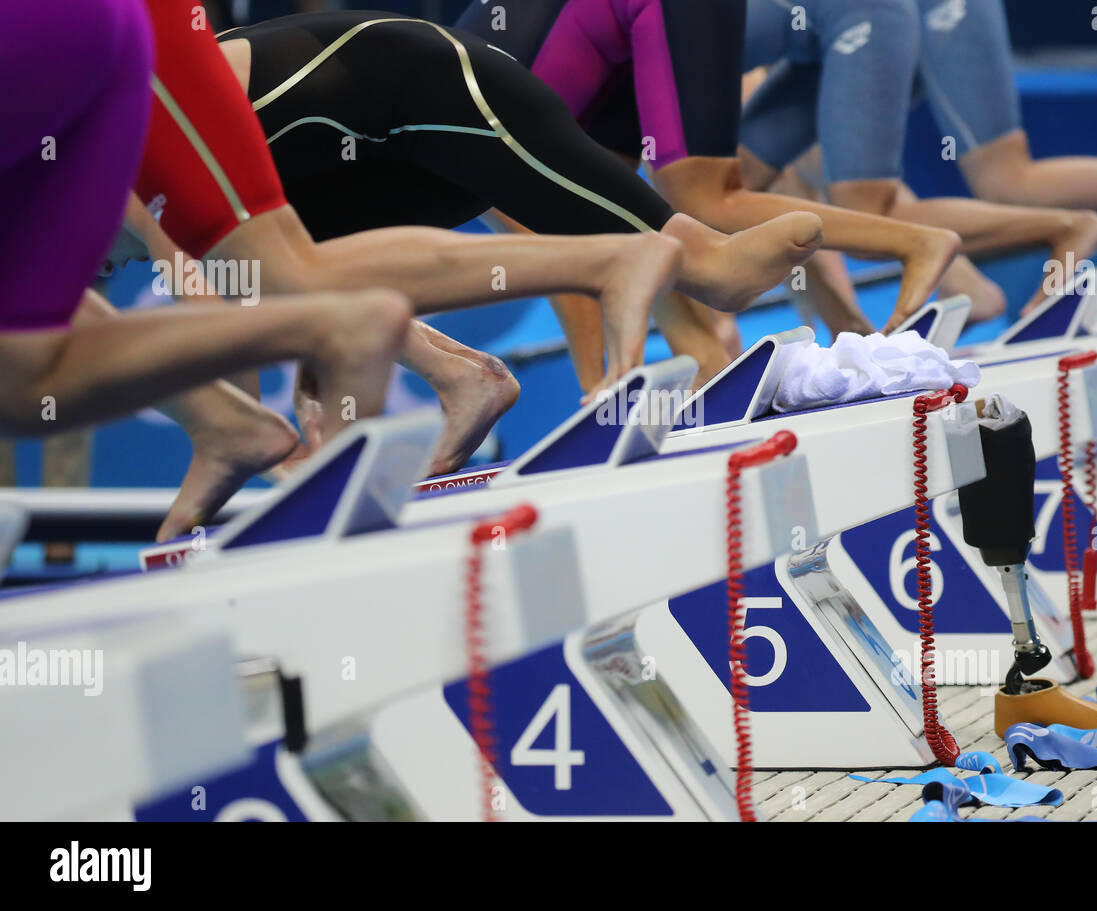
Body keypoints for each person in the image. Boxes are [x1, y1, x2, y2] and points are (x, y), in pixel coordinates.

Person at [211, 11, 826, 392]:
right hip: (400, 125)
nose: (111, 269)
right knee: (283, 266)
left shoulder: (142, 160)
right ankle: (464, 380)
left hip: (432, 84)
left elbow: (211, 297)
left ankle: (663, 270)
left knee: (707, 250)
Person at [0, 1, 414, 542]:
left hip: (70, 35)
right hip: (111, 33)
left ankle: (318, 335)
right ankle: (240, 408)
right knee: (27, 361)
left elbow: (174, 250)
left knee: (33, 365)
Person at [456, 0, 963, 340]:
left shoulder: (458, 146)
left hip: (631, 23)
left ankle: (914, 243)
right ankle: (700, 357)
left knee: (701, 199)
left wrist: (597, 385)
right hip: (616, 36)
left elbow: (559, 246)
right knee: (628, 219)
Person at [740, 0, 1097, 314]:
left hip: (898, 16)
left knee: (998, 179)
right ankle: (968, 288)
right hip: (835, 34)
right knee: (730, 184)